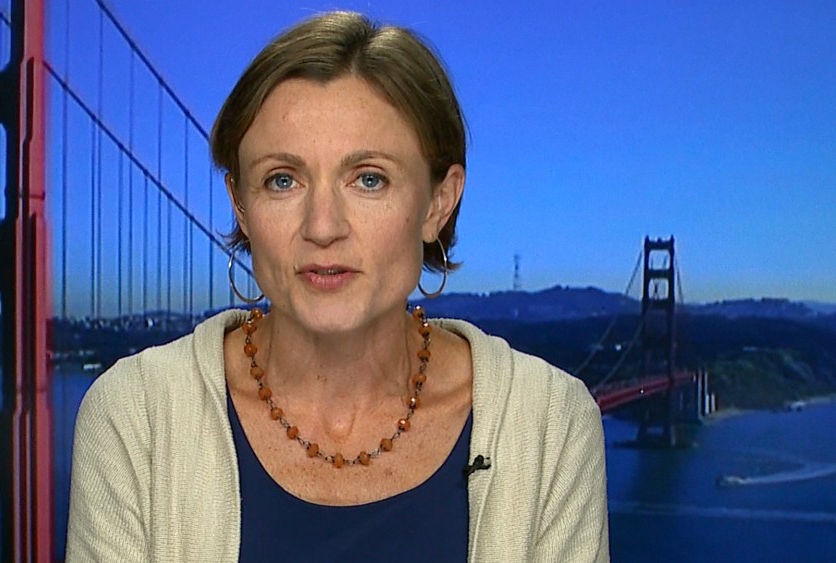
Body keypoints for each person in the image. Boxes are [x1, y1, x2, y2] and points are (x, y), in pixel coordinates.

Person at [66, 10, 608, 562]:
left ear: (438, 204)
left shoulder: (551, 425)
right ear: (241, 206)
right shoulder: (135, 418)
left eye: (369, 179)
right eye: (282, 180)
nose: (323, 226)